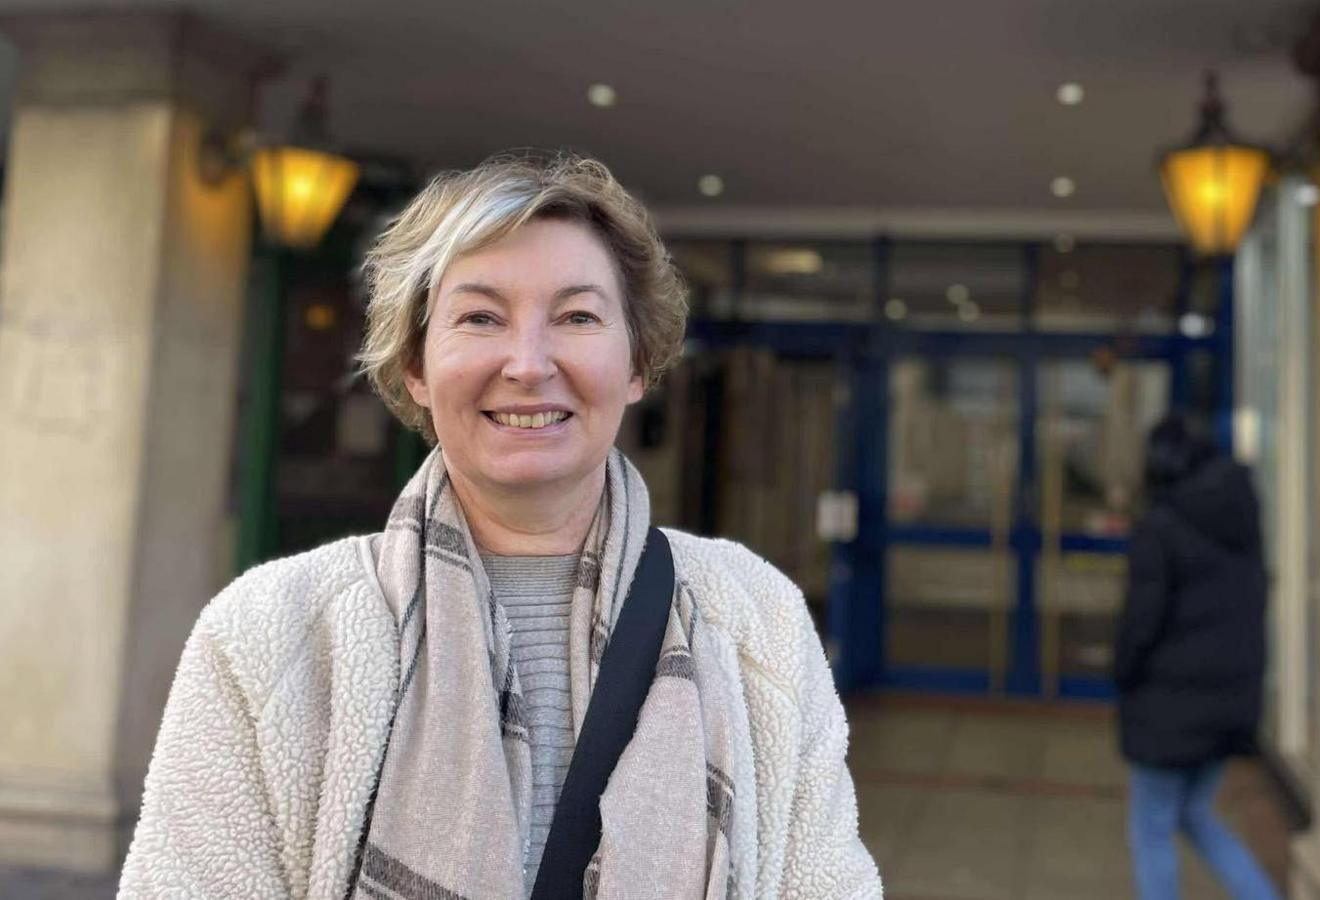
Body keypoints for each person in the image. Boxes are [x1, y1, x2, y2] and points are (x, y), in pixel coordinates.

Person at [119, 154, 882, 900]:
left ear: (638, 364)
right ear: (415, 366)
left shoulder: (756, 619)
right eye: (481, 317)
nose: (528, 363)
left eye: (577, 316)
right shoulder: (271, 633)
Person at [1113, 414, 1280, 900]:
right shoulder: (1242, 517)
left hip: (1169, 710)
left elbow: (1140, 623)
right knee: (1193, 814)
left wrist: (1123, 674)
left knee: (1151, 827)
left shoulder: (1160, 528)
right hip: (1228, 703)